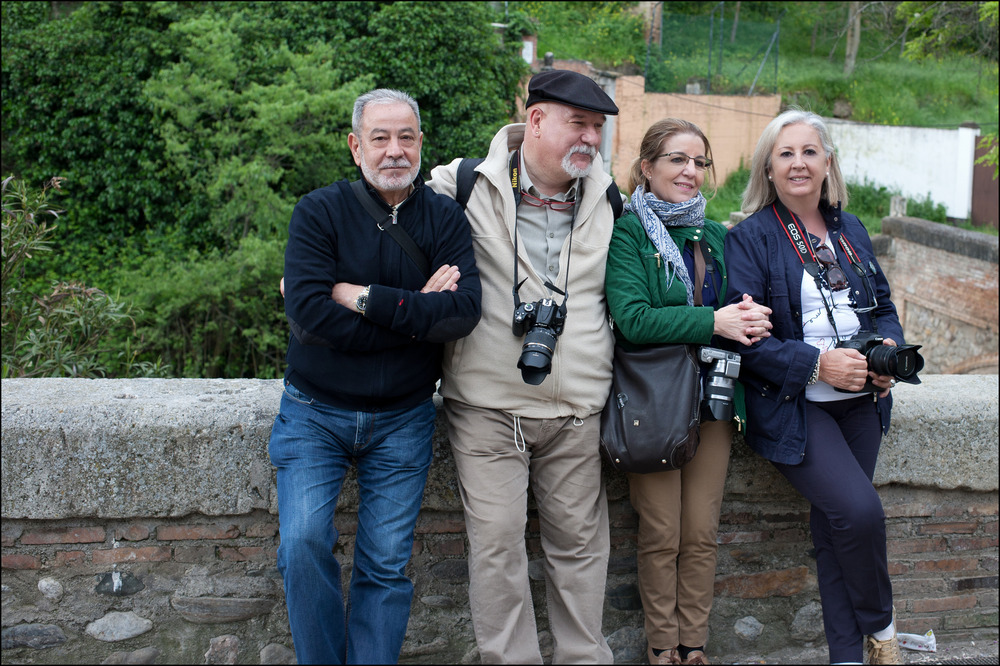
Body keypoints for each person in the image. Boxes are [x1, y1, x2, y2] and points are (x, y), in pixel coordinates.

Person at [269, 88, 481, 665]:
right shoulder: (319, 211)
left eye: (406, 137)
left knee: (386, 564)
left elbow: (462, 314)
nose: (394, 150)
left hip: (403, 420)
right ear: (354, 145)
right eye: (381, 138)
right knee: (303, 543)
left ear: (420, 143)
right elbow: (309, 316)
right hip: (315, 413)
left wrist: (357, 297)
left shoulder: (443, 218)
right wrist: (414, 313)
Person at [426, 69, 620, 664]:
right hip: (487, 408)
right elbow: (383, 218)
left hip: (577, 409)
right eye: (577, 124)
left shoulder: (609, 198)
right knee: (496, 549)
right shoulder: (461, 184)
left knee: (582, 552)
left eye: (597, 127)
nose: (590, 137)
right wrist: (318, 275)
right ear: (535, 121)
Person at [723, 108, 905, 666]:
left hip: (863, 403)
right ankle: (884, 629)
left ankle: (848, 658)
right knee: (860, 513)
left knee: (835, 533)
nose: (798, 163)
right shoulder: (749, 239)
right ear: (769, 169)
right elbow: (746, 341)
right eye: (786, 154)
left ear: (828, 162)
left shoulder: (851, 229)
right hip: (796, 406)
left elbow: (884, 309)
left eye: (809, 151)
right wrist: (819, 367)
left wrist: (887, 356)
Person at [604, 118, 772, 666]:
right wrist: (712, 321)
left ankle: (694, 645)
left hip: (715, 403)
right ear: (647, 167)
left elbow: (737, 307)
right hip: (653, 403)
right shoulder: (628, 231)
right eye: (677, 159)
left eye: (699, 162)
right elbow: (631, 319)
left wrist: (748, 317)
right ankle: (661, 648)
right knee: (661, 533)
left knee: (701, 533)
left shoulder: (717, 235)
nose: (690, 172)